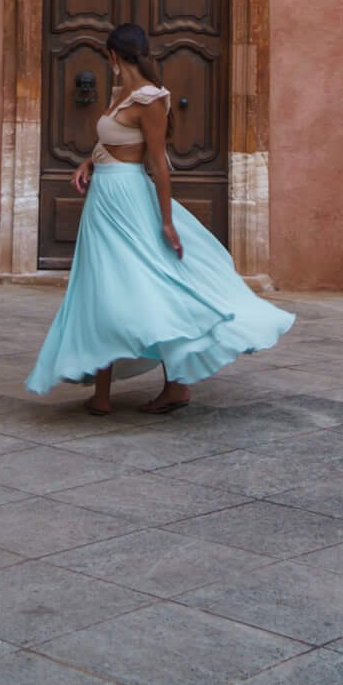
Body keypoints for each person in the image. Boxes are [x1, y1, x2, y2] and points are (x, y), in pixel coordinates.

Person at [26, 22, 294, 414]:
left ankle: (163, 387)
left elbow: (158, 163)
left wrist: (166, 221)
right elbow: (111, 140)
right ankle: (111, 393)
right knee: (102, 286)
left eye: (109, 56)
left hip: (130, 199)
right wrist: (88, 162)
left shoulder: (152, 100)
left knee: (142, 285)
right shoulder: (124, 95)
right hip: (104, 201)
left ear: (114, 55)